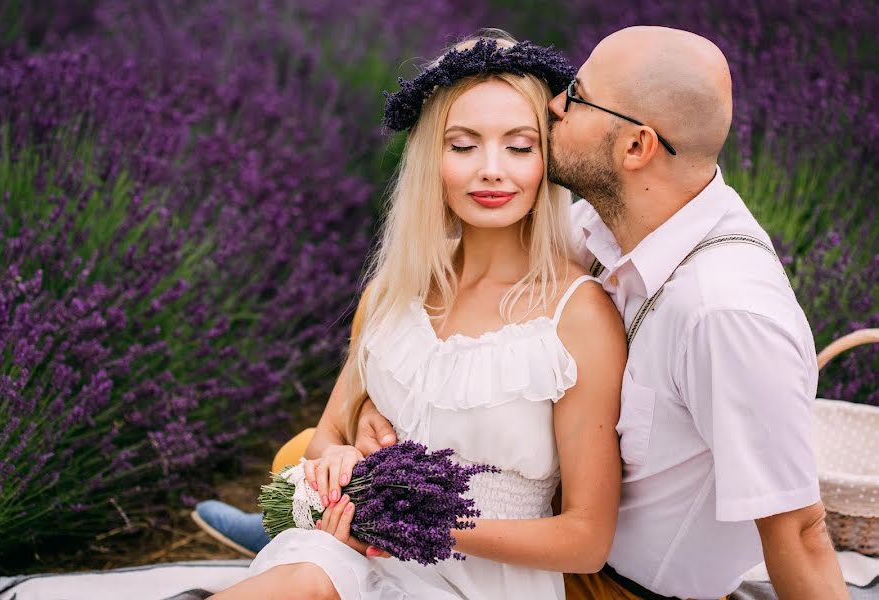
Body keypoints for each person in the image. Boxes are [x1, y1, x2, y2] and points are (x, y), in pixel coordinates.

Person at [355, 26, 850, 600]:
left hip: (610, 586)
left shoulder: (725, 313)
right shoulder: (602, 225)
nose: (554, 106)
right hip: (547, 525)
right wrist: (380, 397)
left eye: (577, 95)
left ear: (636, 147)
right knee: (321, 450)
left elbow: (801, 531)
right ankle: (298, 522)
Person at [210, 30, 627, 600]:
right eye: (463, 146)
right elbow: (327, 435)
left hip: (483, 581)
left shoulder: (576, 315)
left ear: (546, 159)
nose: (491, 169)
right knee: (304, 577)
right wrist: (337, 462)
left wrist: (423, 521)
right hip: (354, 551)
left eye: (519, 146)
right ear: (433, 158)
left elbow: (586, 539)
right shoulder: (393, 292)